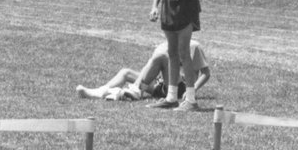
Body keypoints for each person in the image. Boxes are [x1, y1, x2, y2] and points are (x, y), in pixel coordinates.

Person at [77, 39, 212, 104]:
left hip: (180, 87)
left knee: (161, 57)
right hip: (162, 85)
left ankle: (133, 91)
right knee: (125, 72)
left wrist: (192, 91)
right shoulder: (166, 44)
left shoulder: (194, 46)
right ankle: (100, 91)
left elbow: (206, 73)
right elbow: (150, 68)